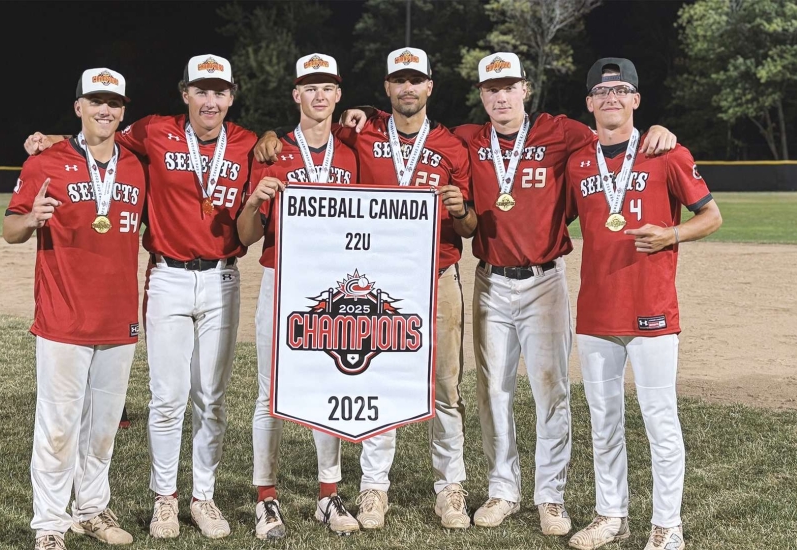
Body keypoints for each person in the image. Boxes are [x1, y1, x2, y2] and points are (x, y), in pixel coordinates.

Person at [23, 54, 257, 540]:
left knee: (211, 400)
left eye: (219, 91)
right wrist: (47, 140)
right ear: (185, 94)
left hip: (223, 278)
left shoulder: (249, 142)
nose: (209, 100)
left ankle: (204, 497)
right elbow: (94, 142)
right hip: (168, 276)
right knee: (166, 399)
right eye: (200, 90)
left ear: (231, 97)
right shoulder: (152, 131)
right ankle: (164, 500)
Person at [447, 53, 676, 535]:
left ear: (525, 89)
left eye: (509, 87)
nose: (501, 96)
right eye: (491, 89)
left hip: (545, 280)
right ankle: (502, 488)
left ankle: (550, 496)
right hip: (490, 280)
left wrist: (662, 131)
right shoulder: (468, 139)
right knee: (493, 391)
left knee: (551, 390)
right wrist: (361, 117)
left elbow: (617, 136)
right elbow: (415, 131)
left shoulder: (563, 131)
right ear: (482, 95)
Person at [256, 46, 474, 530]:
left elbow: (472, 227)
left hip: (437, 280)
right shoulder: (362, 133)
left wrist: (461, 210)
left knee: (444, 389)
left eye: (416, 79)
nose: (408, 88)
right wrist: (269, 134)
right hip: (375, 287)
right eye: (399, 80)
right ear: (387, 88)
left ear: (429, 86)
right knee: (378, 380)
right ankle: (374, 488)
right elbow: (309, 131)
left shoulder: (452, 146)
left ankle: (451, 487)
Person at [564, 58, 721, 550]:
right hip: (595, 311)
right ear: (589, 103)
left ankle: (667, 525)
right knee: (603, 420)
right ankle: (612, 515)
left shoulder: (666, 152)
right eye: (601, 91)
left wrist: (673, 233)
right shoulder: (577, 161)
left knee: (659, 418)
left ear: (636, 100)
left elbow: (712, 216)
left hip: (651, 308)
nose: (611, 97)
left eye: (622, 89)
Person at [6, 68, 146, 550]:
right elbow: (9, 230)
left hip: (119, 317)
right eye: (96, 100)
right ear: (79, 106)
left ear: (123, 111)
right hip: (63, 317)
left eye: (114, 103)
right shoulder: (45, 161)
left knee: (103, 426)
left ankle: (90, 509)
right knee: (58, 424)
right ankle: (49, 522)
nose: (105, 110)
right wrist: (30, 219)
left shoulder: (136, 163)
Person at [237, 53, 361, 539]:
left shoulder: (351, 153)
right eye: (309, 87)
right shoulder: (272, 152)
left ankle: (327, 496)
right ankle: (265, 499)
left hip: (333, 290)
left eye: (327, 87)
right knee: (271, 393)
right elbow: (246, 235)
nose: (318, 95)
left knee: (328, 386)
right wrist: (254, 201)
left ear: (338, 94)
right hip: (281, 280)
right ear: (296, 94)